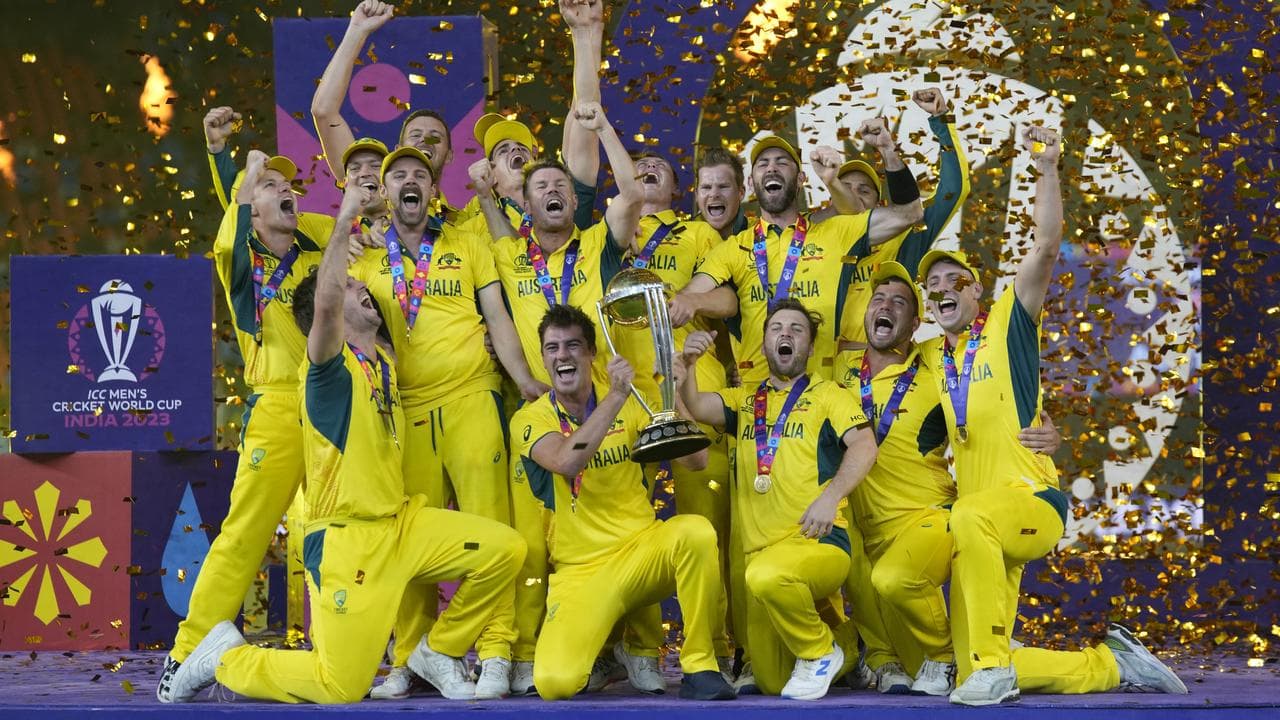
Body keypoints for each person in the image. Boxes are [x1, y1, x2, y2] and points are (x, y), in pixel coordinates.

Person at [158, 180, 527, 705]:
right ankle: (223, 656)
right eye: (357, 290)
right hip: (350, 541)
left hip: (401, 526)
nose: (366, 290)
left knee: (505, 548)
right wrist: (347, 213)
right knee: (342, 687)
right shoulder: (327, 368)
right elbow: (326, 298)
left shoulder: (385, 364)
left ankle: (437, 648)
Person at [917, 125, 1187, 705]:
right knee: (972, 673)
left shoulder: (1007, 321)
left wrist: (1045, 167)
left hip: (1030, 502)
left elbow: (1043, 244)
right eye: (932, 283)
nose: (942, 287)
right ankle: (1110, 666)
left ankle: (992, 664)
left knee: (968, 520)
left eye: (954, 280)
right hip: (983, 530)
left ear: (976, 291)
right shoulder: (932, 359)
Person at [348, 145, 547, 699]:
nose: (411, 181)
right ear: (385, 195)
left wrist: (524, 379)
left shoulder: (467, 244)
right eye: (399, 175)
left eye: (421, 174)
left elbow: (498, 318)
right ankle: (409, 659)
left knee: (492, 527)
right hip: (405, 411)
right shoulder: (363, 260)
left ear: (434, 191)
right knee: (411, 537)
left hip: (470, 395)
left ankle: (497, 651)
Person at [155, 147, 335, 703]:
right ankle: (186, 650)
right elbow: (235, 205)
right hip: (278, 406)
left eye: (292, 187)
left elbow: (359, 220)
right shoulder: (239, 256)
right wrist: (227, 161)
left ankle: (332, 652)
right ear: (249, 209)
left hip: (331, 403)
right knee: (245, 533)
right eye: (270, 187)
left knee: (333, 530)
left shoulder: (317, 241)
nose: (288, 192)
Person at [835, 261, 1060, 696]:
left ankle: (976, 661)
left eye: (900, 302)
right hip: (911, 527)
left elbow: (1008, 398)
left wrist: (1051, 433)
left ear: (916, 321)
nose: (886, 308)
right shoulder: (865, 367)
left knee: (925, 576)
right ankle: (1108, 664)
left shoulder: (930, 367)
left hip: (950, 516)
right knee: (962, 661)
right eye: (879, 299)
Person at [510, 305, 736, 701]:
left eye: (573, 346)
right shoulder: (530, 419)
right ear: (543, 358)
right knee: (555, 683)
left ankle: (700, 665)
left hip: (641, 555)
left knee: (696, 532)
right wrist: (614, 396)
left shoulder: (633, 405)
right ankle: (618, 651)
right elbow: (566, 461)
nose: (562, 355)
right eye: (552, 348)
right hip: (583, 573)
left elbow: (696, 461)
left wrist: (675, 392)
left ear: (592, 354)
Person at [678, 298, 879, 700]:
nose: (785, 334)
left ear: (808, 346)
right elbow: (698, 406)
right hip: (761, 558)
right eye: (776, 328)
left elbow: (865, 446)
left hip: (817, 542)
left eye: (796, 329)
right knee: (770, 681)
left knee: (770, 575)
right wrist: (687, 367)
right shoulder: (744, 401)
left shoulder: (829, 396)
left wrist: (830, 497)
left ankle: (821, 652)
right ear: (765, 342)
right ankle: (847, 641)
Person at [675, 123, 923, 386]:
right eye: (762, 164)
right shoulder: (733, 249)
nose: (771, 167)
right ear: (750, 183)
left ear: (801, 179)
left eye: (782, 162)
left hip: (822, 396)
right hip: (755, 404)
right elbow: (691, 295)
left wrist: (887, 149)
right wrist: (685, 302)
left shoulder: (835, 232)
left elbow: (910, 213)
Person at [311, 1, 456, 207]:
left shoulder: (460, 221)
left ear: (449, 155)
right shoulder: (377, 198)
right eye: (415, 136)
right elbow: (323, 111)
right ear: (398, 150)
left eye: (435, 138)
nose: (424, 141)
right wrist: (357, 31)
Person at [693, 146, 749, 240]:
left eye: (723, 186)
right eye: (706, 187)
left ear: (741, 193)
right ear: (697, 195)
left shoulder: (762, 237)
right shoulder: (680, 241)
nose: (714, 194)